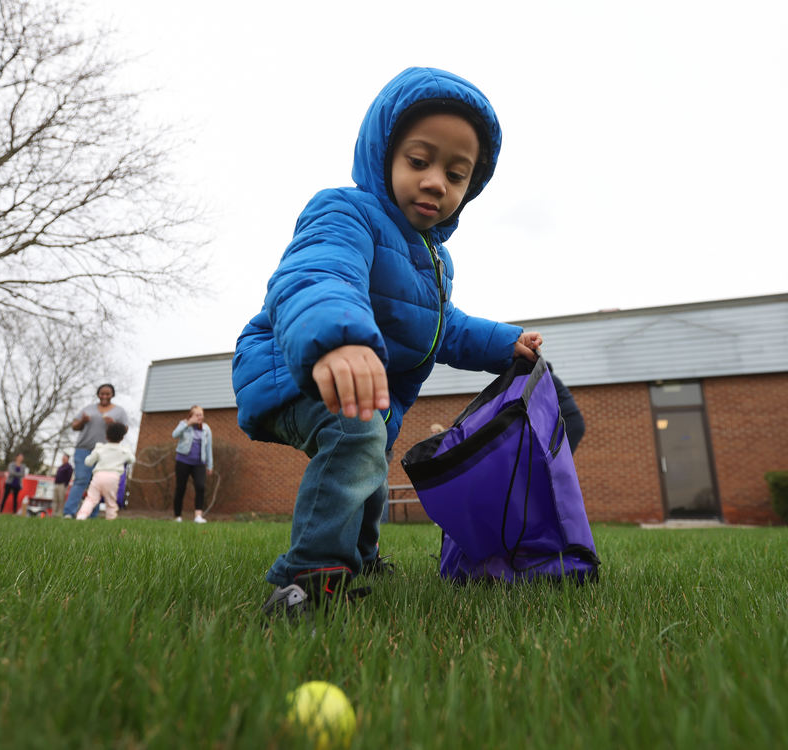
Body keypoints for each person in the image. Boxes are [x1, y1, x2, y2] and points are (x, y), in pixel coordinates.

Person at [232, 67, 543, 617]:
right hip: (294, 366)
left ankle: (364, 556)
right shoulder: (345, 211)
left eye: (455, 174)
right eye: (419, 161)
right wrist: (339, 339)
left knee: (369, 458)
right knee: (356, 435)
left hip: (364, 388)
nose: (435, 183)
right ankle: (312, 576)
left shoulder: (435, 261)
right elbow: (317, 274)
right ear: (383, 155)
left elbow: (442, 328)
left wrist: (503, 343)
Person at [62, 384, 129, 518]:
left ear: (112, 395)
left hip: (106, 452)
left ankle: (92, 515)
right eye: (102, 393)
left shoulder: (119, 412)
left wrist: (113, 423)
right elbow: (74, 426)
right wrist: (83, 421)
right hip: (84, 449)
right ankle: (69, 513)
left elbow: (125, 429)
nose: (104, 396)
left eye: (107, 394)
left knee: (97, 484)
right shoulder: (88, 409)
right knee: (81, 480)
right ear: (98, 394)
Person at [75, 422, 136, 521]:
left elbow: (88, 462)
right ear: (122, 438)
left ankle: (81, 516)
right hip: (113, 478)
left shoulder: (100, 448)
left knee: (91, 499)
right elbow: (132, 460)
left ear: (106, 436)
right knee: (110, 501)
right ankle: (110, 519)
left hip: (98, 476)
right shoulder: (124, 450)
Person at [171, 406, 214, 523]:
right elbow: (174, 434)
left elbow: (208, 447)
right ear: (191, 416)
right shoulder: (184, 424)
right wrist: (188, 423)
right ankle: (177, 516)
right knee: (181, 488)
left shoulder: (206, 429)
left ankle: (198, 516)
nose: (201, 417)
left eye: (202, 414)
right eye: (198, 415)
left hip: (199, 463)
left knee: (200, 487)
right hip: (183, 461)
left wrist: (210, 465)